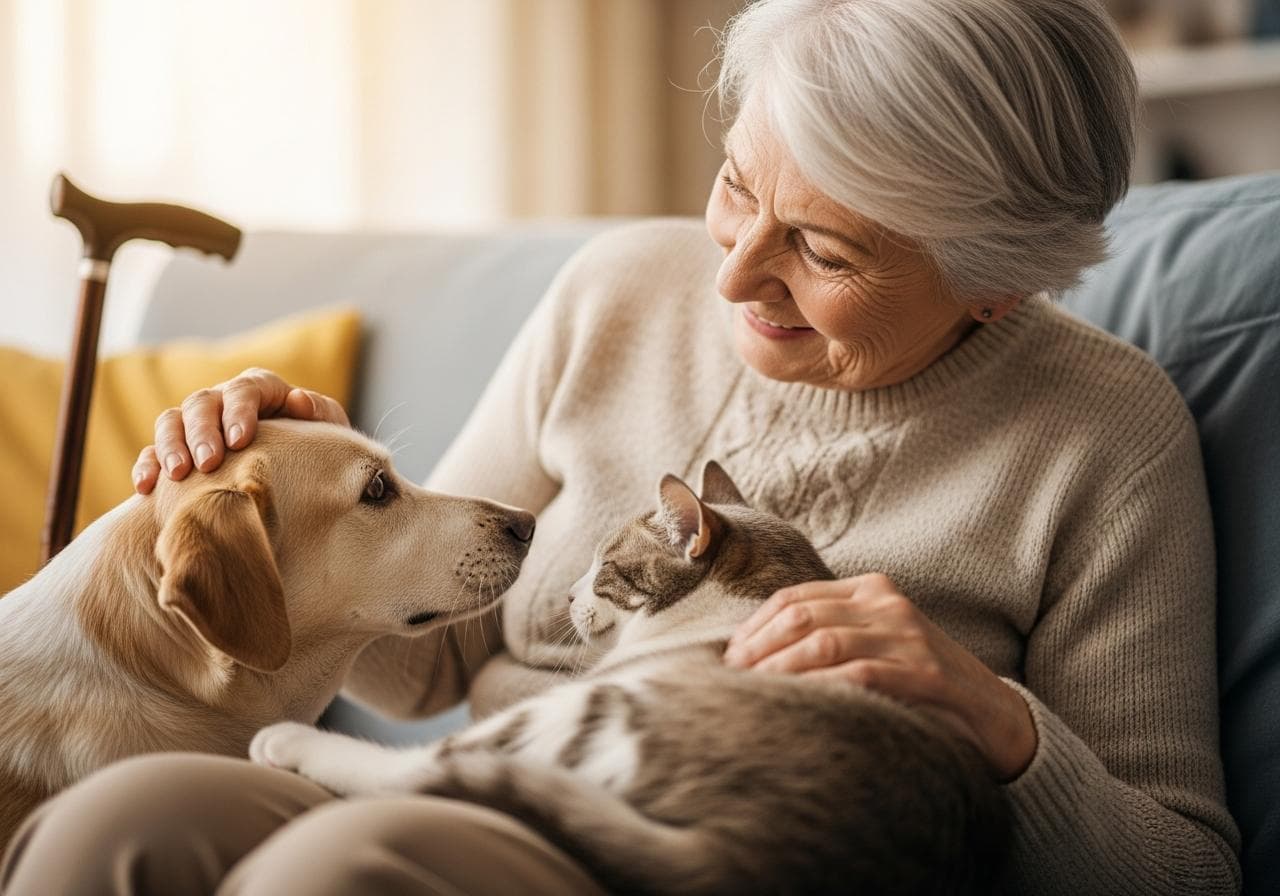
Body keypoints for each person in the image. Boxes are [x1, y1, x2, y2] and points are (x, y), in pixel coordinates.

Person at [1, 0, 1241, 893]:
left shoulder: (1101, 436)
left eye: (824, 250)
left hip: (712, 847)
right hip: (479, 773)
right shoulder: (620, 290)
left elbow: (1182, 868)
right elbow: (425, 669)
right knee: (119, 823)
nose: (735, 271)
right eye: (736, 187)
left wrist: (994, 719)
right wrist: (315, 506)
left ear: (994, 287)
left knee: (349, 867)